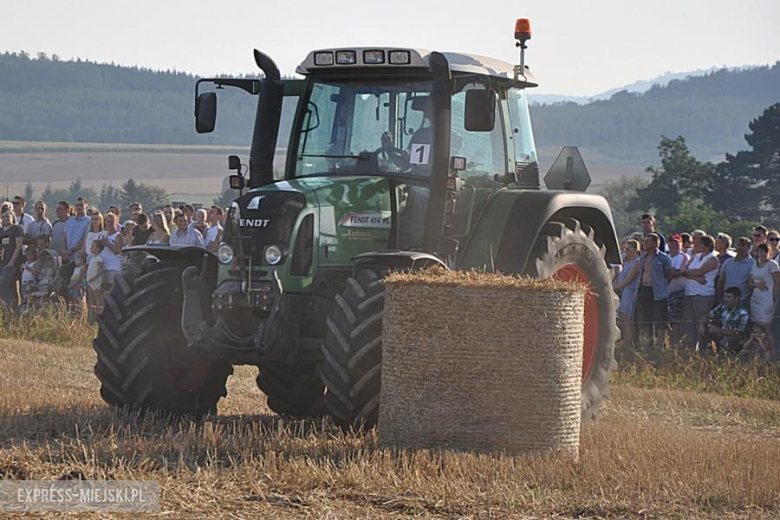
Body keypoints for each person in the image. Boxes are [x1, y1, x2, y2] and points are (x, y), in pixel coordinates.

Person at [680, 234, 719, 349]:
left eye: (700, 243)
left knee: (701, 323)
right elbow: (684, 271)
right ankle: (690, 348)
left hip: (703, 294)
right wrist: (695, 278)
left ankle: (704, 348)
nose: (697, 245)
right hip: (689, 292)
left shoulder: (712, 259)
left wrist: (692, 274)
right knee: (689, 324)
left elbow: (700, 271)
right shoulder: (695, 257)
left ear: (707, 246)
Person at [635, 233, 672, 344]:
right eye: (644, 241)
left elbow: (669, 275)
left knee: (660, 321)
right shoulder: (642, 257)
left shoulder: (663, 258)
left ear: (655, 243)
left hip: (658, 293)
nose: (644, 243)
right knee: (644, 320)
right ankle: (647, 345)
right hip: (643, 290)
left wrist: (661, 286)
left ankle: (661, 345)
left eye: (648, 241)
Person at [748, 243, 780, 359]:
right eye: (759, 251)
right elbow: (750, 283)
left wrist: (774, 298)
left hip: (767, 299)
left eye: (764, 251)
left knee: (766, 327)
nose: (761, 254)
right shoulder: (755, 265)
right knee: (756, 326)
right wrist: (757, 285)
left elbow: (778, 282)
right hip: (756, 298)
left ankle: (773, 354)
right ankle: (757, 353)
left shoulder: (772, 265)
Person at [698, 286, 749, 354]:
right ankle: (703, 354)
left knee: (724, 342)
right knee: (702, 332)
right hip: (720, 333)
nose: (726, 299)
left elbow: (739, 333)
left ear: (736, 298)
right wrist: (702, 324)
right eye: (725, 296)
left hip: (734, 337)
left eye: (728, 297)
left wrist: (719, 330)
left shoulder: (743, 313)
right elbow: (708, 315)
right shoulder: (722, 307)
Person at [612, 238, 641, 348]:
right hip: (624, 292)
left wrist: (613, 287)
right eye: (625, 249)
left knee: (627, 319)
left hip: (630, 292)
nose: (625, 251)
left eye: (628, 249)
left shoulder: (637, 262)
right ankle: (625, 342)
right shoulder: (627, 261)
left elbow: (628, 280)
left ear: (635, 250)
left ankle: (628, 344)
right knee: (622, 319)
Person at [717, 237, 755, 308]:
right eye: (738, 245)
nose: (740, 247)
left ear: (748, 248)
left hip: (743, 302)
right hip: (726, 302)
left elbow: (753, 284)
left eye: (743, 245)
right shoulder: (728, 262)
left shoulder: (753, 264)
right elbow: (721, 281)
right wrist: (718, 297)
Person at [667, 234, 690, 345]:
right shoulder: (668, 257)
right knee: (668, 321)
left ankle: (675, 344)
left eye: (676, 242)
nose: (673, 245)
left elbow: (677, 273)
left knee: (676, 321)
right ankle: (670, 342)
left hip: (678, 292)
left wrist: (669, 272)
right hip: (667, 292)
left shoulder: (683, 257)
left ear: (681, 244)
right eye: (671, 242)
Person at [0, 209, 24, 307]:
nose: (5, 218)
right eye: (4, 216)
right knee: (11, 286)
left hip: (11, 261)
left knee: (4, 283)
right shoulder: (1, 230)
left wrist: (12, 261)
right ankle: (10, 307)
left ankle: (9, 304)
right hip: (2, 260)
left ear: (12, 217)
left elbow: (18, 246)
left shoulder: (16, 229)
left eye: (7, 216)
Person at [100, 212, 124, 292]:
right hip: (103, 266)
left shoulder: (118, 236)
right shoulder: (102, 235)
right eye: (108, 221)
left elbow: (117, 250)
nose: (109, 224)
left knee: (112, 289)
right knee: (103, 289)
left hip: (114, 267)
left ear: (116, 223)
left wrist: (107, 243)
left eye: (111, 222)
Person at [86, 240, 105, 319]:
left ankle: (98, 313)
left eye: (93, 246)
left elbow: (100, 270)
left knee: (96, 296)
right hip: (90, 280)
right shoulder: (92, 258)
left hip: (95, 280)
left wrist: (94, 278)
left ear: (98, 248)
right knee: (90, 297)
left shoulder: (99, 258)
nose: (91, 248)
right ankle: (90, 313)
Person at [68, 251, 87, 317]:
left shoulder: (82, 268)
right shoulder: (75, 268)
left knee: (78, 299)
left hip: (78, 286)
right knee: (73, 299)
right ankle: (74, 312)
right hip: (72, 285)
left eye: (77, 259)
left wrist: (73, 285)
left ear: (82, 260)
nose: (76, 261)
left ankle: (80, 313)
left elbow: (79, 278)